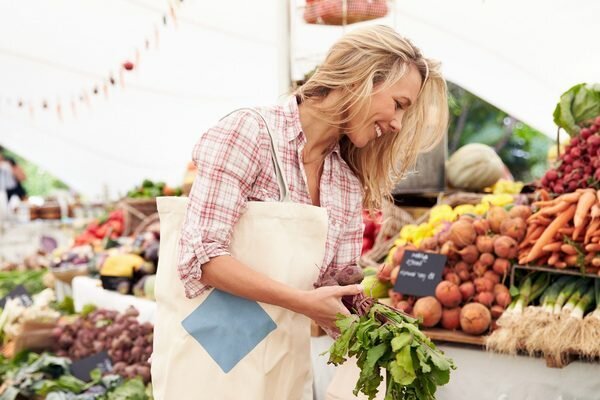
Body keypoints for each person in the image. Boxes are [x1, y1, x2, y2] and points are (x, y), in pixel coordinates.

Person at [151, 25, 448, 400]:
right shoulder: (250, 134)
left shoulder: (344, 180)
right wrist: (303, 302)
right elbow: (202, 258)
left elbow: (330, 286)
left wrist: (379, 310)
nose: (397, 124)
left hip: (280, 361)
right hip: (210, 354)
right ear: (363, 80)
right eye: (399, 105)